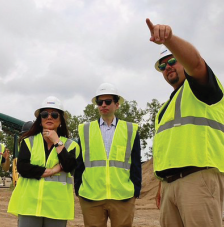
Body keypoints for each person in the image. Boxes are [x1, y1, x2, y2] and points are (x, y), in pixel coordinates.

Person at [146, 18, 224, 226]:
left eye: (172, 61)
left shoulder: (201, 89)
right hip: (170, 185)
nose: (167, 67)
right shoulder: (164, 109)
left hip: (198, 179)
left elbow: (197, 63)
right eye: (163, 65)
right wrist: (162, 186)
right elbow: (169, 150)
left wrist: (169, 40)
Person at [74, 83, 142, 227]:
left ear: (117, 105)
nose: (103, 105)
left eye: (108, 101)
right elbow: (79, 163)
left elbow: (136, 162)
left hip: (123, 196)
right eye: (100, 102)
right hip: (91, 197)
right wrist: (79, 188)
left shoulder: (130, 129)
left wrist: (135, 190)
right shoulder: (85, 129)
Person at [7, 96, 80, 227]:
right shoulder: (28, 141)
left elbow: (69, 166)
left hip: (56, 207)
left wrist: (57, 141)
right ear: (40, 120)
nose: (49, 117)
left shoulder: (71, 145)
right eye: (45, 114)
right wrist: (53, 170)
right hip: (29, 206)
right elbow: (23, 168)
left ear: (61, 120)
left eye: (54, 114)